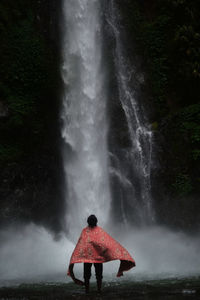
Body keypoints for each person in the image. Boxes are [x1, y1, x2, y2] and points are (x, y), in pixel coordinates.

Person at [67, 215, 135, 294]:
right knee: (98, 275)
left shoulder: (85, 231)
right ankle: (99, 290)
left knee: (87, 275)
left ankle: (87, 291)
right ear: (96, 222)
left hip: (87, 257)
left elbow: (81, 244)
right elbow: (107, 242)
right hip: (98, 257)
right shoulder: (99, 231)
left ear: (88, 222)